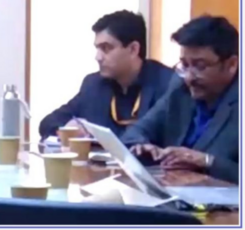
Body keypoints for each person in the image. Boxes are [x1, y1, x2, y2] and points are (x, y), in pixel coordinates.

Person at [122, 16, 239, 184]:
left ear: (232, 64)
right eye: (184, 64)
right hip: (172, 190)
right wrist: (142, 147)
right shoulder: (180, 87)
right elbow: (136, 132)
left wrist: (207, 161)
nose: (189, 77)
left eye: (200, 66)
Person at [38, 11, 174, 139]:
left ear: (133, 49)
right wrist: (67, 129)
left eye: (106, 48)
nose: (98, 57)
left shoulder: (168, 85)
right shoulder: (93, 84)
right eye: (97, 48)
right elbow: (48, 122)